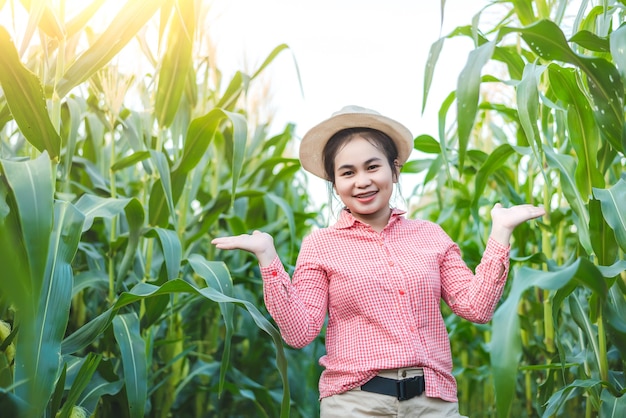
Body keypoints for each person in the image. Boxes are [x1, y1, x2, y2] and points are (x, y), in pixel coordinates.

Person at [211, 105, 546, 417]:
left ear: (394, 170)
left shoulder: (431, 236)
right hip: (355, 404)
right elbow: (300, 333)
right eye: (347, 172)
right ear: (335, 184)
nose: (362, 181)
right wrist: (268, 258)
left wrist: (500, 233)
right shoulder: (321, 245)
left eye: (373, 166)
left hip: (433, 403)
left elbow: (477, 308)